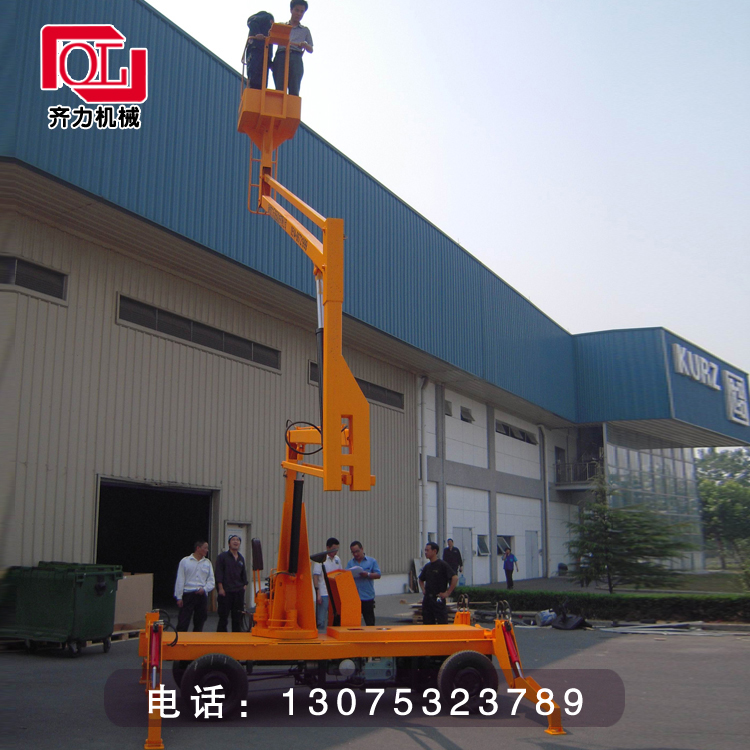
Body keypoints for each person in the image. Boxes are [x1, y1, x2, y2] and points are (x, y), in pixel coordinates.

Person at [272, 1, 313, 96]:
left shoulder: (305, 30)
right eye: (297, 10)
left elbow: (311, 49)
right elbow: (270, 39)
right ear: (291, 10)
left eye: (302, 12)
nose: (299, 14)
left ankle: (292, 105)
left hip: (296, 57)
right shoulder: (281, 26)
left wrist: (305, 45)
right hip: (281, 56)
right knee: (279, 88)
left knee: (294, 88)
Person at [174, 540, 215, 632]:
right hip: (188, 594)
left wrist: (205, 589)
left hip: (201, 595)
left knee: (200, 620)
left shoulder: (207, 563)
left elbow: (211, 581)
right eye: (205, 548)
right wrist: (179, 597)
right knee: (183, 620)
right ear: (198, 548)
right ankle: (180, 638)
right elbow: (180, 579)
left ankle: (196, 638)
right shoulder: (185, 561)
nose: (207, 550)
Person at [215, 534, 248, 632]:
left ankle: (236, 637)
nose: (235, 542)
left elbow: (243, 573)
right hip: (226, 591)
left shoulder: (241, 558)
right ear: (229, 543)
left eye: (238, 540)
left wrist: (244, 585)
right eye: (233, 540)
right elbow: (219, 573)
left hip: (238, 592)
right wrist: (220, 588)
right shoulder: (222, 557)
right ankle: (221, 637)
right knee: (223, 617)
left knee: (238, 617)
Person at [419, 542, 458, 625]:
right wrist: (423, 590)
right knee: (427, 624)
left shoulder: (442, 565)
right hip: (428, 600)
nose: (425, 552)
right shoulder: (427, 566)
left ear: (434, 551)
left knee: (442, 623)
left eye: (427, 550)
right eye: (425, 550)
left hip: (438, 599)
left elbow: (455, 578)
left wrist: (447, 593)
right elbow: (421, 579)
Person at [346, 541, 381, 626]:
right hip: (354, 597)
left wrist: (368, 574)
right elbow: (345, 576)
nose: (355, 554)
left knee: (370, 623)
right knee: (353, 624)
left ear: (362, 549)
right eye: (353, 552)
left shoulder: (372, 561)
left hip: (367, 596)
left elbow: (378, 575)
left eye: (357, 551)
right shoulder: (350, 563)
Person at [312, 537, 342, 630]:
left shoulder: (337, 559)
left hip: (334, 592)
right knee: (321, 618)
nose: (335, 552)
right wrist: (318, 593)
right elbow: (315, 576)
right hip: (324, 592)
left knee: (334, 616)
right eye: (333, 549)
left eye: (337, 549)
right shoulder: (321, 559)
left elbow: (340, 573)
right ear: (328, 547)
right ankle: (320, 633)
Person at [244, 11, 275, 90]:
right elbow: (252, 21)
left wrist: (270, 63)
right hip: (256, 52)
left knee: (262, 83)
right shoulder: (266, 17)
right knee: (254, 80)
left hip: (264, 58)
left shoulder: (269, 38)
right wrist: (257, 33)